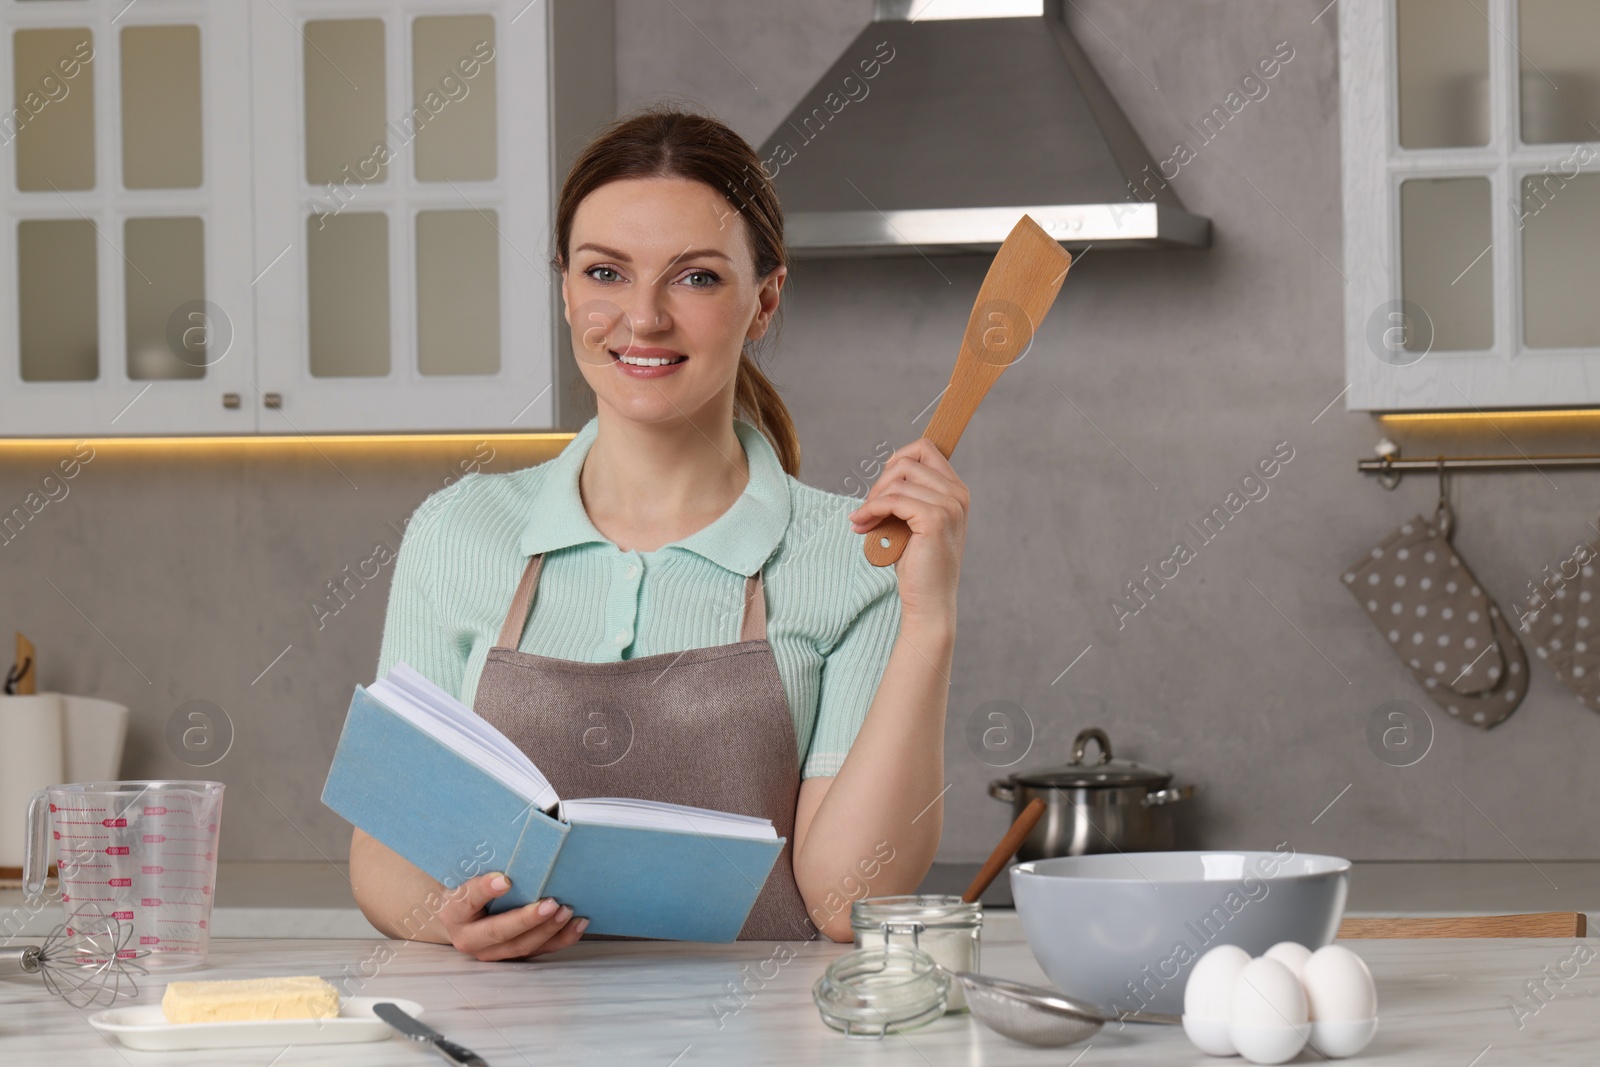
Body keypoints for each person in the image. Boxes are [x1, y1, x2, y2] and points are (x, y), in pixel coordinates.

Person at [349, 104, 968, 960]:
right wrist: (447, 917)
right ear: (566, 289)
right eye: (606, 273)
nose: (642, 318)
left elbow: (848, 897)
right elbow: (386, 861)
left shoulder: (859, 554)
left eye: (696, 277)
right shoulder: (460, 531)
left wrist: (929, 621)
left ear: (765, 299)